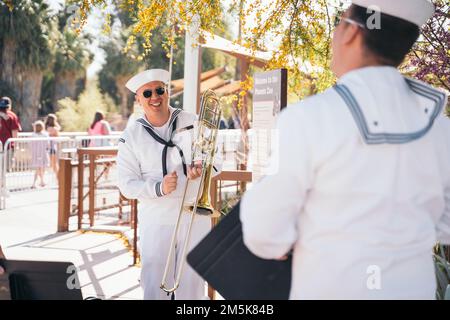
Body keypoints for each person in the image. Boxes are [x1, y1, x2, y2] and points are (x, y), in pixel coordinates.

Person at [240, 0, 450, 300]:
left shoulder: (307, 119)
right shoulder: (441, 130)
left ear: (352, 32)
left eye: (340, 22)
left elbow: (264, 233)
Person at [117, 69, 221, 300]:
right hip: (156, 217)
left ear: (167, 92)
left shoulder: (192, 121)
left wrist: (201, 170)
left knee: (193, 282)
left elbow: (217, 159)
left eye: (160, 90)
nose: (155, 97)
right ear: (139, 99)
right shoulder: (131, 135)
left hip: (194, 215)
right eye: (148, 93)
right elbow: (126, 183)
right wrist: (158, 188)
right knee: (155, 281)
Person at [0, 97, 21, 171]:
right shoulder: (12, 116)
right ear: (10, 105)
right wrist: (16, 147)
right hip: (7, 146)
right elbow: (14, 133)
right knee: (5, 168)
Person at [31, 120, 49, 188]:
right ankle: (41, 181)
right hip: (43, 153)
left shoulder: (33, 135)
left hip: (36, 153)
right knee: (42, 168)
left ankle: (37, 182)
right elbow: (48, 144)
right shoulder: (45, 135)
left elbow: (31, 144)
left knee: (37, 168)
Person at [45, 114, 61, 179]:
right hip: (52, 148)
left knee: (47, 164)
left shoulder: (45, 128)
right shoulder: (55, 129)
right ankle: (58, 177)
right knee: (55, 164)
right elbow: (58, 136)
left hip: (46, 148)